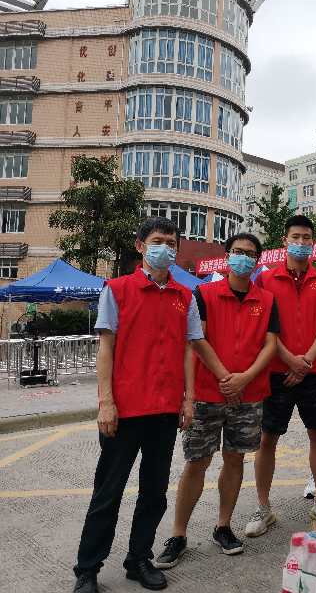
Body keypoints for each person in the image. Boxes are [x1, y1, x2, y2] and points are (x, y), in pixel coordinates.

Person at [72, 217, 226, 593]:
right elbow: (105, 349)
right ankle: (88, 569)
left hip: (164, 412)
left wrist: (188, 399)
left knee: (154, 493)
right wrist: (105, 402)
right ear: (140, 246)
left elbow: (190, 349)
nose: (166, 248)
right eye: (158, 241)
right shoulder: (117, 290)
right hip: (124, 411)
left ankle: (138, 559)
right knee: (108, 492)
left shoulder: (184, 296)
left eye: (172, 243)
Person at [154, 233, 279, 569]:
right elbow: (197, 339)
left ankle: (223, 527)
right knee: (197, 462)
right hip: (209, 393)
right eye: (237, 251)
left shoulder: (267, 300)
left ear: (257, 261)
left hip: (248, 394)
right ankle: (178, 534)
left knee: (235, 459)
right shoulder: (205, 294)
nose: (243, 258)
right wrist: (227, 377)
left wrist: (244, 378)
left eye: (250, 254)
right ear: (227, 256)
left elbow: (270, 344)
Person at [247, 215, 316, 534]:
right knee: (267, 438)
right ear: (285, 241)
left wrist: (307, 361)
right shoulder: (265, 279)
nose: (301, 243)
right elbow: (263, 327)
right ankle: (263, 508)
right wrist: (289, 360)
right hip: (276, 371)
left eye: (307, 238)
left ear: (314, 243)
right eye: (296, 237)